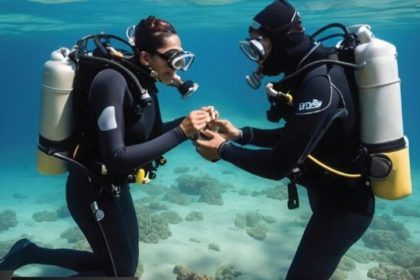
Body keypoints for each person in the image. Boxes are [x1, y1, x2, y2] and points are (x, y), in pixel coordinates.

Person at [0, 16, 216, 277]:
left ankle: (28, 252)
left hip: (114, 186)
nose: (178, 66)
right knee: (119, 274)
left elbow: (153, 135)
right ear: (146, 57)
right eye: (172, 58)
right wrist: (183, 132)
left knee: (121, 267)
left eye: (182, 57)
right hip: (91, 187)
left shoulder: (144, 84)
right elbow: (115, 157)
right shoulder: (111, 82)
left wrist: (188, 124)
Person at [195, 1, 375, 279]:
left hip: (345, 206)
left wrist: (222, 150)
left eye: (258, 46)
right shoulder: (309, 72)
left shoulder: (319, 83)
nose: (257, 58)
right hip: (331, 195)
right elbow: (301, 137)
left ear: (282, 41)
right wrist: (242, 135)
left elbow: (278, 165)